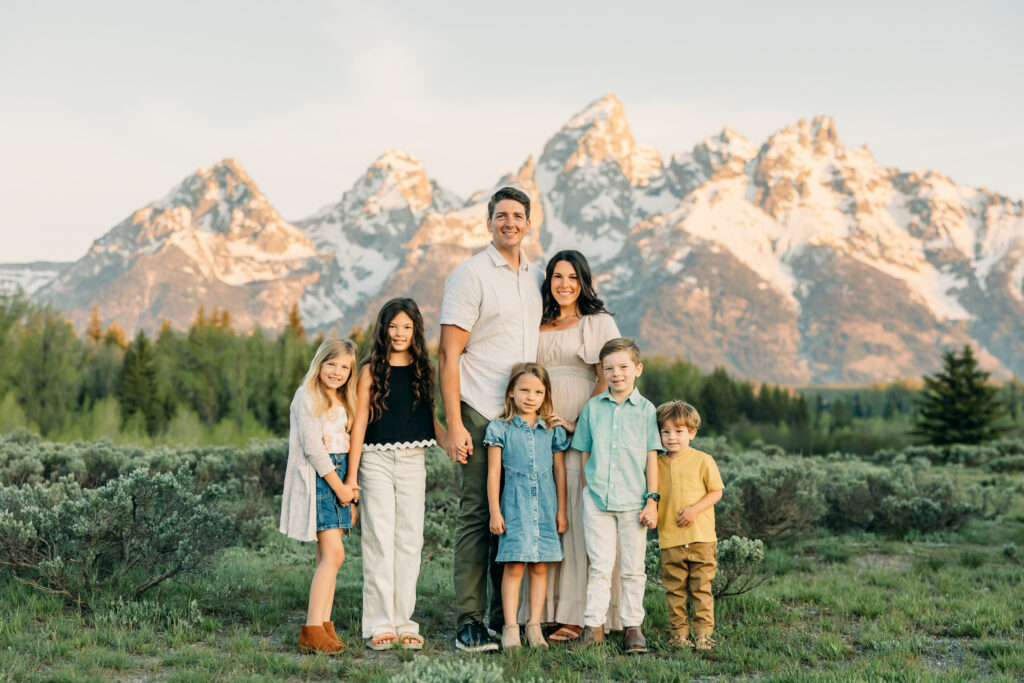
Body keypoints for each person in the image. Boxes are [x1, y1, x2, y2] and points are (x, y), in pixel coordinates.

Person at [438, 186, 544, 652]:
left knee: (516, 515)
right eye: (501, 215)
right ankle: (467, 620)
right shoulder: (470, 275)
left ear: (528, 223)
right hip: (480, 411)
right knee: (478, 515)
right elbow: (447, 353)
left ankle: (507, 619)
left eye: (517, 216)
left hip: (520, 419)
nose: (509, 223)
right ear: (488, 222)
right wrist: (455, 424)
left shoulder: (534, 277)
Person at [526, 250, 623, 643]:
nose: (564, 284)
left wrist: (577, 421)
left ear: (583, 281)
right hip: (540, 423)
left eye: (572, 277)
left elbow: (607, 377)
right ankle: (546, 609)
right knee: (548, 509)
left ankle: (584, 613)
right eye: (556, 277)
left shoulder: (598, 322)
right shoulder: (537, 322)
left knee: (582, 515)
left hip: (582, 425)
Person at [347, 298, 448, 651]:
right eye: (393, 326)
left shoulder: (425, 369)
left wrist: (450, 440)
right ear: (383, 329)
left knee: (409, 540)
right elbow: (359, 423)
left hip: (412, 460)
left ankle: (405, 622)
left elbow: (429, 419)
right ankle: (379, 623)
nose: (399, 333)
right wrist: (351, 476)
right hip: (374, 461)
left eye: (406, 326)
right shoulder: (370, 370)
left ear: (416, 330)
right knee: (378, 538)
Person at [572, 337, 661, 654]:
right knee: (599, 565)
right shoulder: (593, 408)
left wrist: (652, 499)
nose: (616, 373)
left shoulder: (647, 411)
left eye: (623, 367)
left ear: (637, 368)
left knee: (633, 568)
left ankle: (632, 627)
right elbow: (584, 452)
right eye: (609, 368)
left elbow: (652, 457)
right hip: (597, 500)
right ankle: (592, 625)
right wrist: (587, 487)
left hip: (634, 503)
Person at [279, 337, 360, 655]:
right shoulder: (307, 396)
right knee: (334, 555)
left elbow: (347, 443)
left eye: (344, 367)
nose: (337, 371)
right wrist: (338, 488)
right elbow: (313, 447)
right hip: (320, 479)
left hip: (338, 476)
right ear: (319, 362)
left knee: (328, 557)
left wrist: (349, 492)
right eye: (332, 363)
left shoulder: (343, 398)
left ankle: (324, 624)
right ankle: (311, 630)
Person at [485, 363, 569, 650]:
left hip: (546, 505)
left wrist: (561, 511)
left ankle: (534, 625)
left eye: (537, 391)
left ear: (545, 396)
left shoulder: (551, 430)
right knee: (515, 564)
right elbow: (494, 473)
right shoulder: (500, 428)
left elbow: (560, 472)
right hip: (515, 505)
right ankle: (511, 627)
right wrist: (495, 511)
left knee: (540, 566)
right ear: (511, 392)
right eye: (523, 390)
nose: (530, 397)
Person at [655, 400, 724, 651]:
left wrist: (695, 510)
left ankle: (704, 633)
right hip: (670, 539)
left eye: (679, 431)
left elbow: (716, 491)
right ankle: (679, 634)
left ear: (692, 433)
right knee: (675, 590)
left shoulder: (703, 460)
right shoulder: (656, 463)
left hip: (702, 538)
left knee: (701, 589)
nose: (672, 437)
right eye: (666, 431)